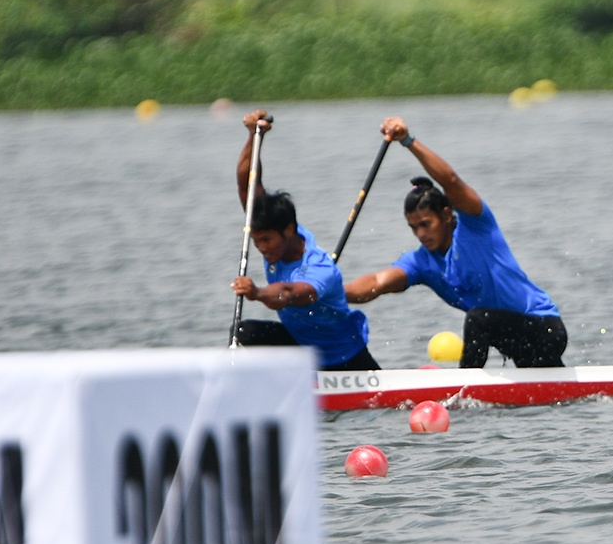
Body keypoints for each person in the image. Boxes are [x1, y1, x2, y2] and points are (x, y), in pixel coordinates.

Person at [345, 117, 567, 367]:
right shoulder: (421, 262)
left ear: (447, 215)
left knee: (477, 319)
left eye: (425, 224)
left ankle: (461, 397)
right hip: (512, 339)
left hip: (545, 328)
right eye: (413, 227)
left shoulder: (476, 225)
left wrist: (407, 141)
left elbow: (451, 181)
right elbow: (377, 283)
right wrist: (331, 293)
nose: (420, 234)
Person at [231, 110, 378, 371]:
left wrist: (256, 293)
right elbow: (247, 185)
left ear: (289, 230)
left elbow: (287, 294)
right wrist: (255, 137)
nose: (262, 248)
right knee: (243, 333)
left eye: (266, 240)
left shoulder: (320, 269)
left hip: (343, 360)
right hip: (301, 347)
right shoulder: (275, 227)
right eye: (256, 241)